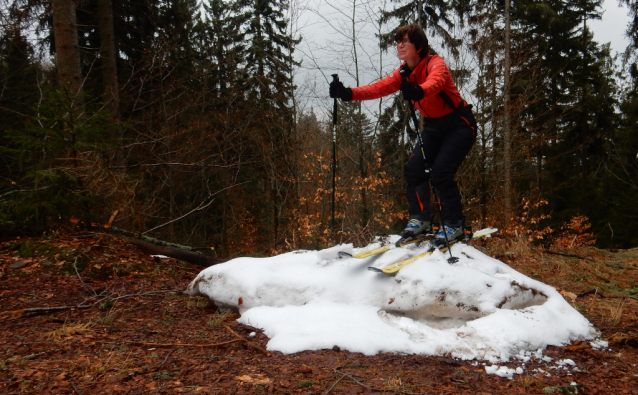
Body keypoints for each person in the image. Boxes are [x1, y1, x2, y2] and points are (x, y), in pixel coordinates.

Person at [329, 23, 477, 245]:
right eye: (397, 41)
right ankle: (421, 219)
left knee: (441, 172)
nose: (399, 45)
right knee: (414, 167)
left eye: (404, 41)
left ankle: (454, 224)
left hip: (460, 125)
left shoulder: (435, 63)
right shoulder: (404, 72)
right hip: (434, 128)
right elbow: (379, 88)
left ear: (418, 46)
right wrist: (347, 93)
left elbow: (436, 82)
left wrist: (419, 90)